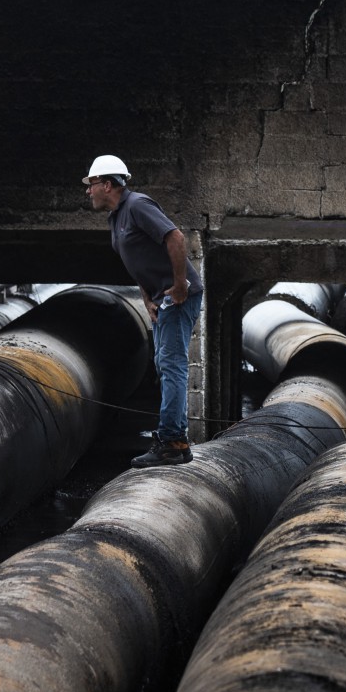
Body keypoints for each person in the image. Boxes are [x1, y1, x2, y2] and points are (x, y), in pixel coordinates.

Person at [84, 154, 203, 467]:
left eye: (91, 184)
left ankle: (174, 443)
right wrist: (146, 297)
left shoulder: (137, 205)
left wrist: (180, 286)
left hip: (178, 297)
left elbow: (174, 237)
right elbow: (136, 260)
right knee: (164, 365)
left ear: (107, 184)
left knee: (172, 364)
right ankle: (171, 439)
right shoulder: (116, 218)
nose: (88, 191)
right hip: (161, 299)